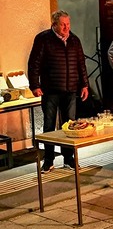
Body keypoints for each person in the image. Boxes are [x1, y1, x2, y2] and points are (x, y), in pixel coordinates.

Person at [28, 10, 89, 173]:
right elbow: (34, 63)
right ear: (54, 24)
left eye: (68, 24)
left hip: (70, 90)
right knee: (49, 126)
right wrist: (34, 85)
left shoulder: (74, 40)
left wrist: (84, 85)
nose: (66, 27)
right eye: (62, 24)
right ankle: (48, 160)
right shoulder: (43, 39)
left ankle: (69, 158)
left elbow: (81, 64)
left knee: (70, 126)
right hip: (50, 90)